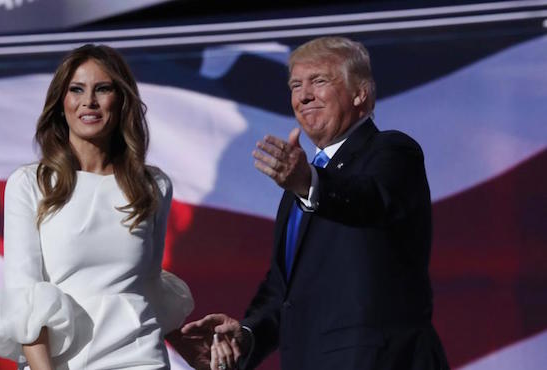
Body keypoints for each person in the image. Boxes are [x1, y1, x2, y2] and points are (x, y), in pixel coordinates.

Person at [179, 36, 449, 370]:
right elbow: (286, 292)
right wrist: (247, 335)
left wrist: (307, 182)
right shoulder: (304, 184)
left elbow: (370, 200)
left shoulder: (391, 151)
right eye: (295, 85)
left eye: (318, 81)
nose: (303, 95)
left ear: (360, 92)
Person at [0, 44, 194, 370]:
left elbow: (148, 286)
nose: (89, 102)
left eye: (103, 89)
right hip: (64, 362)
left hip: (140, 357)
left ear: (121, 99)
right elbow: (24, 296)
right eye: (76, 89)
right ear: (61, 102)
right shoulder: (29, 184)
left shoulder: (153, 186)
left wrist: (189, 346)